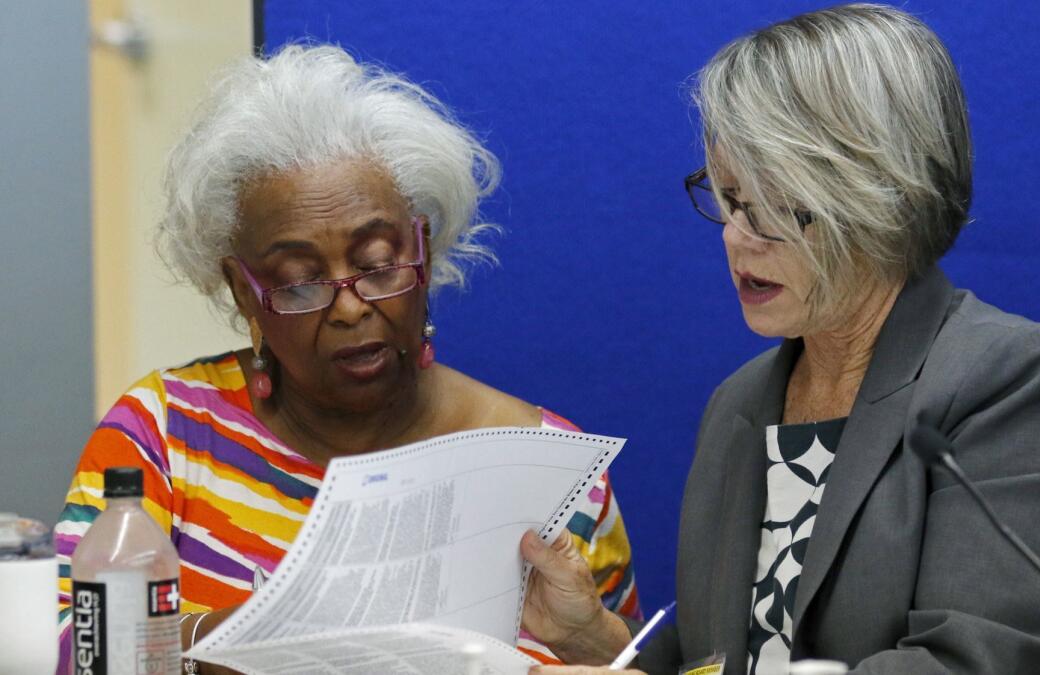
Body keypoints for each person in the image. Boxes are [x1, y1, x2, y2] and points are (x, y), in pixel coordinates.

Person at [520, 4, 1040, 674]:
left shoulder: (1011, 381)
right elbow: (732, 657)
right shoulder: (742, 403)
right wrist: (597, 639)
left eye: (776, 205)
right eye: (728, 198)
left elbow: (977, 661)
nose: (737, 235)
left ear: (884, 195)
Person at [53, 45, 640, 674]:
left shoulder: (552, 467)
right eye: (299, 281)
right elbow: (72, 651)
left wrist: (596, 647)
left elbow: (626, 660)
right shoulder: (164, 434)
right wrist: (268, 639)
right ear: (241, 291)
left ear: (425, 253)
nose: (350, 308)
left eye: (378, 265)